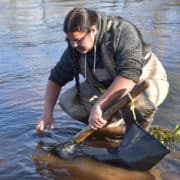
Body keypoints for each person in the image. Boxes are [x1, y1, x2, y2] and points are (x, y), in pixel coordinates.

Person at [36, 8, 169, 139]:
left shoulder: (122, 32)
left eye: (78, 40)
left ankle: (139, 136)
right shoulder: (74, 47)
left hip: (144, 78)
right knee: (67, 101)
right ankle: (112, 125)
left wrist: (99, 105)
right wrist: (47, 113)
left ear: (93, 30)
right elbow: (55, 79)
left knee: (141, 104)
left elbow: (129, 75)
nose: (74, 46)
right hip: (107, 84)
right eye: (70, 41)